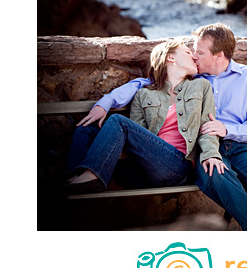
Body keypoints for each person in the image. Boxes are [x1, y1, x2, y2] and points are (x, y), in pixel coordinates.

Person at [76, 23, 247, 231]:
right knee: (215, 175)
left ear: (218, 56)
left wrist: (227, 129)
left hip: (239, 143)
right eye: (192, 51)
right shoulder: (192, 76)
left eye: (199, 52)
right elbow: (147, 83)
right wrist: (106, 101)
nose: (194, 56)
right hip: (204, 145)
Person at [65, 38, 219, 197]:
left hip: (177, 167)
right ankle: (72, 180)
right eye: (188, 52)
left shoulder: (201, 86)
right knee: (86, 129)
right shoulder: (144, 93)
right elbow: (137, 140)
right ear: (170, 58)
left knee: (118, 121)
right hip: (147, 169)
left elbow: (207, 126)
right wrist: (103, 104)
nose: (194, 57)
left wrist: (211, 155)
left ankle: (92, 176)